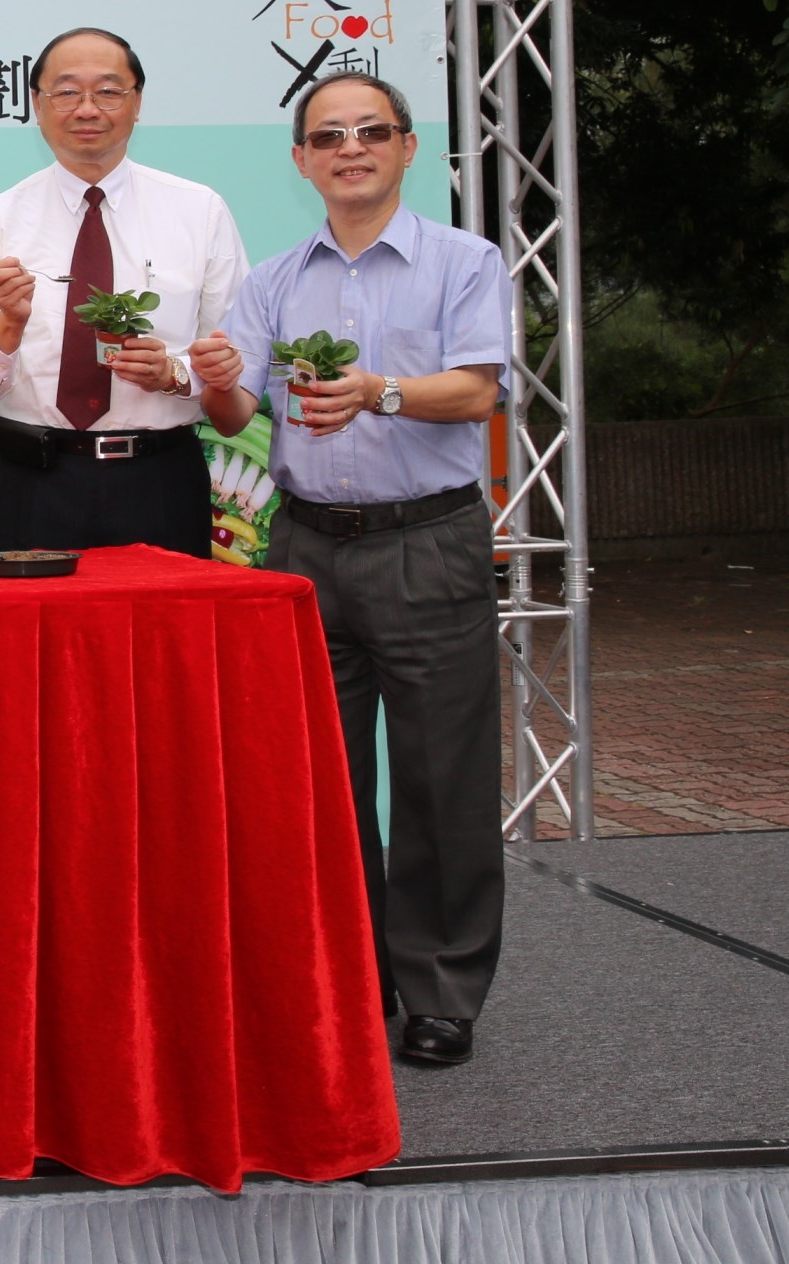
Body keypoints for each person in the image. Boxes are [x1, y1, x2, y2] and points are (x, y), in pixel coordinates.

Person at [193, 71, 511, 1069]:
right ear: (301, 161)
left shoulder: (465, 261)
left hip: (429, 543)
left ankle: (442, 988)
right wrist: (211, 382)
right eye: (329, 136)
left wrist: (380, 393)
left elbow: (475, 393)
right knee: (320, 780)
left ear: (409, 147)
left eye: (372, 131)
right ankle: (355, 972)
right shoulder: (276, 280)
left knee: (438, 777)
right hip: (309, 546)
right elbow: (238, 412)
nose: (351, 148)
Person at [0, 27, 247, 555]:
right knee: (37, 636)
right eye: (65, 92)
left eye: (108, 91)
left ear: (137, 104)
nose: (87, 108)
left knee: (165, 636)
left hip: (160, 479)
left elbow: (233, 365)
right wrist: (9, 326)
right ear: (37, 106)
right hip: (35, 482)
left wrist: (174, 374)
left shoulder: (199, 211)